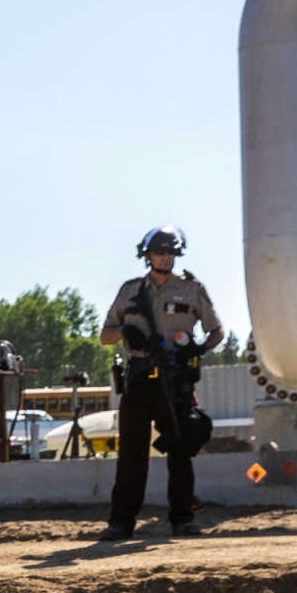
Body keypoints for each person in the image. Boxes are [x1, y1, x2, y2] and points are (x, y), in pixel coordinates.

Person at [100, 228, 225, 542]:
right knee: (131, 455)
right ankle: (121, 523)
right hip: (140, 381)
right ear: (147, 255)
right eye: (158, 252)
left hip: (176, 380)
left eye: (170, 251)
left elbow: (217, 332)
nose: (164, 256)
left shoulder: (192, 289)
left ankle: (183, 519)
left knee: (180, 450)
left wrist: (196, 350)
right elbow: (106, 335)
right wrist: (127, 331)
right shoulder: (130, 291)